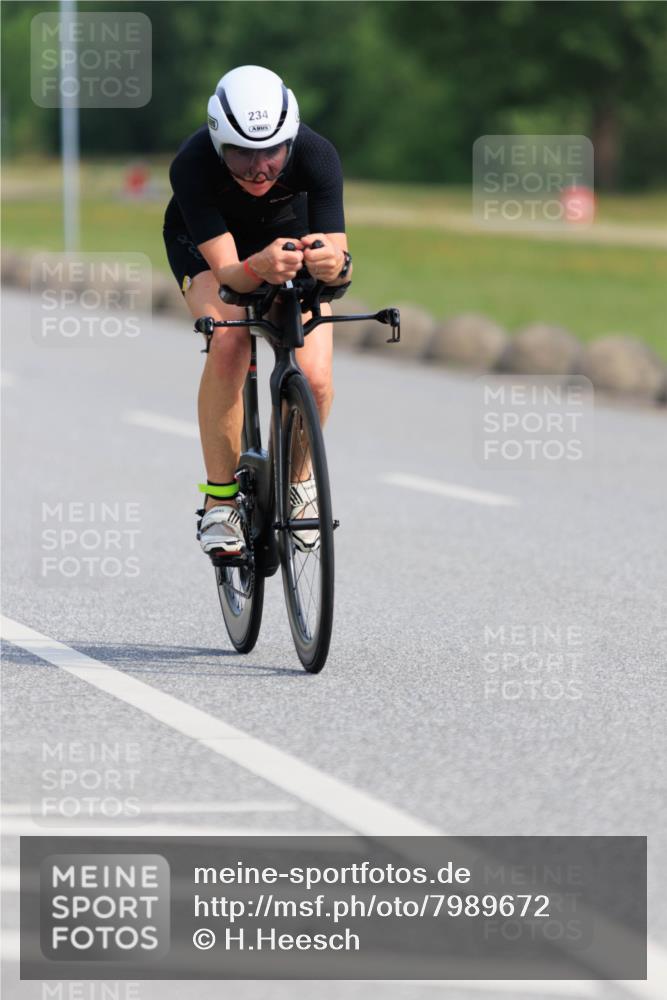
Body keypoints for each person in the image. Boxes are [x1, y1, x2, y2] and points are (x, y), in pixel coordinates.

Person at [163, 65, 352, 558]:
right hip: (211, 250)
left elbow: (340, 264)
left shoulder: (317, 155)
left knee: (314, 379)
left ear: (291, 140)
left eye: (272, 152)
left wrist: (334, 264)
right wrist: (259, 266)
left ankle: (297, 479)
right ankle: (220, 500)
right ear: (217, 142)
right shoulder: (192, 164)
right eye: (241, 154)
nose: (259, 169)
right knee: (229, 338)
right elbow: (230, 277)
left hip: (287, 238)